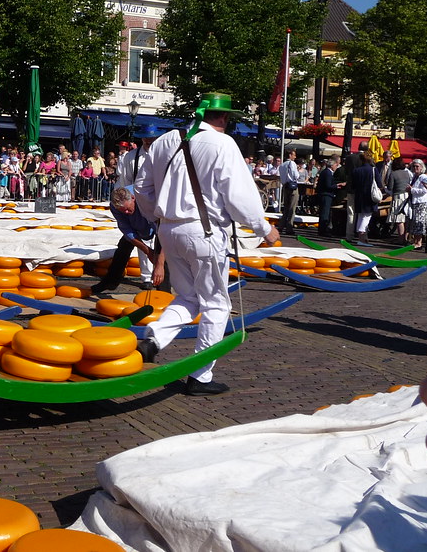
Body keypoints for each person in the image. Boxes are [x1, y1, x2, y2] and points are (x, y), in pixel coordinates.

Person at [135, 94, 279, 396]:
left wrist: (157, 218)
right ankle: (200, 376)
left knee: (188, 297)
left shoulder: (164, 141)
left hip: (169, 230)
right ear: (224, 117)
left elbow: (141, 188)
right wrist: (264, 229)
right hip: (204, 232)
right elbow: (239, 197)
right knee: (216, 304)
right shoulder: (223, 144)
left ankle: (153, 340)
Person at [97, 123, 164, 292]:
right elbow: (125, 180)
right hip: (132, 199)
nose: (148, 141)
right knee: (129, 241)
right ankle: (113, 280)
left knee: (160, 239)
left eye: (152, 138)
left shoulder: (163, 155)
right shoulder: (131, 157)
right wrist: (125, 201)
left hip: (155, 202)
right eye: (146, 138)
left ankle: (161, 283)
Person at [350, 152, 376, 247]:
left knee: (360, 216)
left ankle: (362, 238)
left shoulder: (356, 170)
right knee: (366, 217)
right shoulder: (373, 170)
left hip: (359, 196)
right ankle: (362, 238)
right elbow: (379, 184)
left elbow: (353, 185)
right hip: (369, 197)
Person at [386, 158, 412, 242]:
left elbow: (390, 187)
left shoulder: (393, 174)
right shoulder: (407, 173)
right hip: (407, 196)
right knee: (406, 219)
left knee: (399, 219)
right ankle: (405, 238)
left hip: (398, 197)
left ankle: (401, 239)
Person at [316, 155, 343, 237]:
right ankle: (323, 230)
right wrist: (337, 186)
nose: (336, 167)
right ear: (332, 165)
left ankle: (322, 230)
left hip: (325, 195)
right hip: (326, 195)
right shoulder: (327, 173)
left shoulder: (326, 172)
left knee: (324, 213)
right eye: (335, 165)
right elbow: (328, 185)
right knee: (325, 213)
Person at [278, 148, 300, 235]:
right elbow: (296, 175)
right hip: (292, 186)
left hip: (285, 186)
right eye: (294, 155)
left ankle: (281, 226)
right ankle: (289, 227)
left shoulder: (282, 165)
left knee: (286, 207)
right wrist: (297, 171)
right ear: (290, 155)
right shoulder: (292, 163)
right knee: (292, 207)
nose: (295, 157)